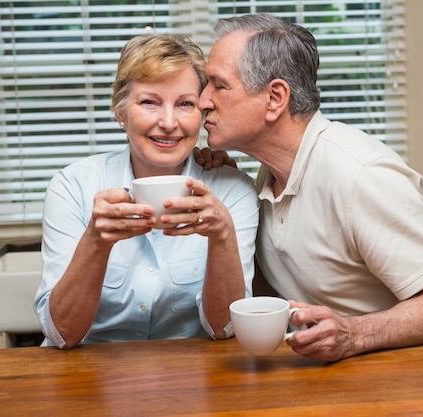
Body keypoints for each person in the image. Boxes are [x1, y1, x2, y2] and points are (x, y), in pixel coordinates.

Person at [197, 14, 423, 362]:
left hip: (400, 381)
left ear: (274, 98)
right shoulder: (268, 174)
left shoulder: (362, 176)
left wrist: (355, 334)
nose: (203, 100)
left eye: (218, 85)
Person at [34, 33, 259, 349]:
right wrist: (95, 242)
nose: (168, 123)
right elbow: (62, 333)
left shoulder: (232, 191)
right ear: (120, 112)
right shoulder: (73, 187)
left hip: (189, 377)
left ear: (203, 113)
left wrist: (222, 234)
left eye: (185, 104)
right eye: (149, 102)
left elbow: (224, 328)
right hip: (88, 373)